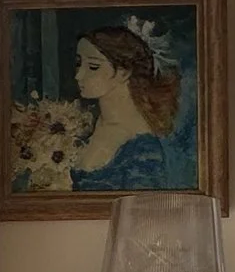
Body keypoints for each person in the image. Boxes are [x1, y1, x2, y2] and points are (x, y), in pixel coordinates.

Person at [66, 22, 188, 191]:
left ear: (124, 72)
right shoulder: (80, 123)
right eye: (78, 64)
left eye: (93, 67)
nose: (78, 75)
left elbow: (142, 211)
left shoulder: (141, 147)